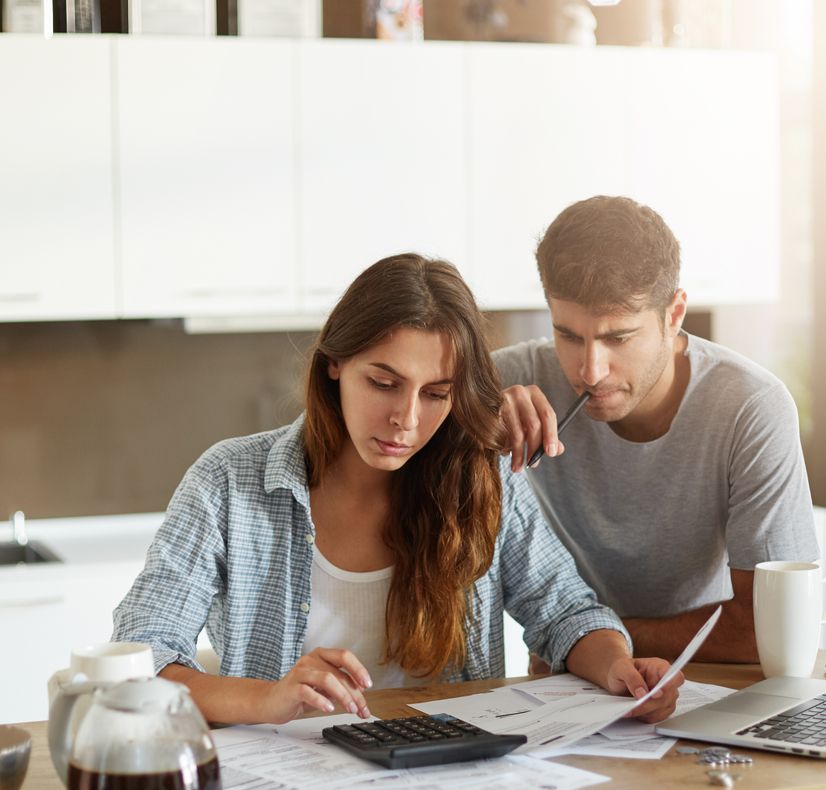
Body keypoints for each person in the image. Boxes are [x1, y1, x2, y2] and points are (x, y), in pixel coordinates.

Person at [112, 252, 681, 725]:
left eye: (436, 394)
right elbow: (140, 660)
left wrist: (617, 669)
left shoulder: (482, 481)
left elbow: (566, 614)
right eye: (384, 383)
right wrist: (267, 698)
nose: (405, 419)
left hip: (448, 780)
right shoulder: (229, 484)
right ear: (335, 363)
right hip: (286, 788)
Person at [494, 196, 819, 665]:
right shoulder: (511, 384)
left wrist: (585, 640)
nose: (590, 369)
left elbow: (764, 629)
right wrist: (469, 425)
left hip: (708, 681)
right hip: (567, 692)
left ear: (674, 315)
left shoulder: (750, 407)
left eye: (618, 337)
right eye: (568, 335)